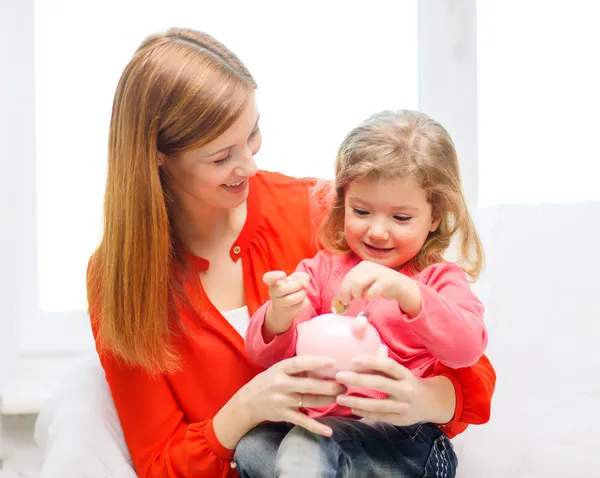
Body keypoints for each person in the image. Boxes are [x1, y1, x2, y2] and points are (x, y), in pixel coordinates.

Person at [86, 27, 496, 478]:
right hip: (278, 456)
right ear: (158, 156)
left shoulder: (320, 211)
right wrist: (244, 408)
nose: (250, 165)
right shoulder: (119, 278)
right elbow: (161, 464)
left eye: (253, 133)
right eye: (222, 156)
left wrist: (425, 398)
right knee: (264, 449)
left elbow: (469, 367)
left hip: (379, 446)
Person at [240, 109, 487, 477]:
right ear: (343, 202)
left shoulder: (438, 279)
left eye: (400, 218)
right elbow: (263, 355)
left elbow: (467, 348)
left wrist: (409, 293)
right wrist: (279, 315)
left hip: (406, 442)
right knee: (253, 447)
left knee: (307, 447)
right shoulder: (322, 270)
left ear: (434, 216)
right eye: (362, 211)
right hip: (326, 436)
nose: (377, 231)